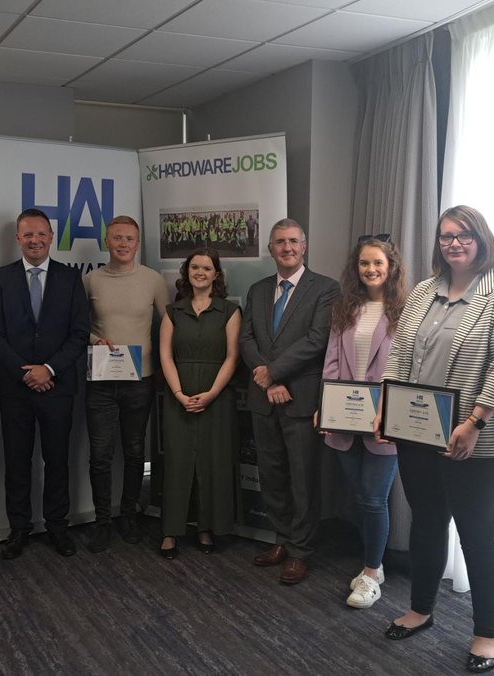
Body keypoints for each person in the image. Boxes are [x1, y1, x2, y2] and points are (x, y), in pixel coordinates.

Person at [379, 205, 494, 673]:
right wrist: (387, 404)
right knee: (426, 522)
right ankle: (421, 609)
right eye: (446, 236)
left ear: (481, 240)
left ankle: (486, 632)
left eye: (464, 235)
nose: (454, 243)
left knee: (478, 533)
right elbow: (401, 351)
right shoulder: (424, 290)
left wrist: (476, 421)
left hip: (477, 441)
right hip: (417, 433)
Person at [0, 208, 90, 560]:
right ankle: (19, 528)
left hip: (58, 387)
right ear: (18, 238)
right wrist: (26, 372)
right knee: (17, 459)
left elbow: (78, 334)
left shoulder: (70, 278)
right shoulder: (0, 278)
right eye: (27, 235)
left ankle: (57, 525)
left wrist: (48, 369)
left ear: (51, 237)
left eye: (41, 234)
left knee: (57, 459)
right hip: (15, 388)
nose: (35, 240)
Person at [239, 218, 339, 585]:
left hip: (300, 399)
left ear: (304, 246)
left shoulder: (326, 289)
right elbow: (246, 339)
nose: (287, 248)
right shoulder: (258, 289)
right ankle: (282, 540)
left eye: (293, 241)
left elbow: (317, 340)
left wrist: (274, 373)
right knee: (272, 475)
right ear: (270, 248)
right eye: (280, 242)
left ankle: (301, 551)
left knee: (303, 479)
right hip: (264, 397)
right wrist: (267, 379)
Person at [318, 235, 406, 609]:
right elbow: (332, 361)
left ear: (391, 268)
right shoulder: (344, 308)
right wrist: (325, 405)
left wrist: (388, 408)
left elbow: (406, 369)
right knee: (360, 496)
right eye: (364, 264)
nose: (370, 270)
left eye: (378, 264)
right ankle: (375, 563)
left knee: (373, 498)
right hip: (344, 416)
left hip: (385, 420)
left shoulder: (406, 311)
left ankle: (371, 572)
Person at [83, 215, 169, 553]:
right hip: (101, 382)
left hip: (140, 380)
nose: (122, 244)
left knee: (135, 452)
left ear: (137, 243)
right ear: (107, 242)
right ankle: (103, 520)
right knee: (100, 455)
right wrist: (93, 339)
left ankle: (129, 513)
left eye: (129, 238)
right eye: (116, 238)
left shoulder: (153, 280)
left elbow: (168, 326)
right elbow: (78, 326)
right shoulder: (90, 281)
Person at [158, 248, 241, 559]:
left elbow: (233, 356)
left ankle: (206, 528)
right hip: (177, 395)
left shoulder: (230, 312)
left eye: (207, 268)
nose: (200, 272)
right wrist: (179, 394)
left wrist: (211, 394)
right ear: (187, 272)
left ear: (216, 274)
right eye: (195, 267)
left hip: (215, 396)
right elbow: (165, 354)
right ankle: (170, 531)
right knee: (178, 463)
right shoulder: (172, 312)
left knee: (212, 463)